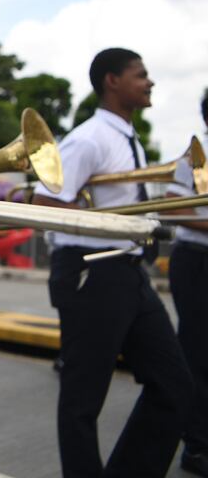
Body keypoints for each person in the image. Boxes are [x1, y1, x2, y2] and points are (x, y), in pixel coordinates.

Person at [32, 48, 192, 478]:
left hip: (126, 267)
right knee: (83, 400)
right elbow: (45, 202)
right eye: (141, 74)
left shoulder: (127, 137)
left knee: (175, 385)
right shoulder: (88, 138)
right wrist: (107, 221)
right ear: (112, 81)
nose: (150, 81)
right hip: (92, 269)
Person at [168, 93, 208, 476]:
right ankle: (196, 446)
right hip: (198, 259)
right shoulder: (196, 154)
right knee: (198, 352)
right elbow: (172, 206)